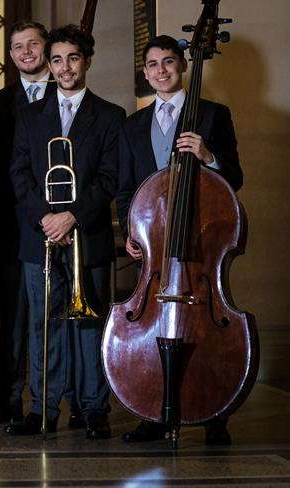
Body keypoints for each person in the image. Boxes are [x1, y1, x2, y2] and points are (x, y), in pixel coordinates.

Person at [116, 34, 242, 447]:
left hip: (200, 245)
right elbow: (124, 189)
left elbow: (235, 179)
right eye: (152, 65)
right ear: (146, 73)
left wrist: (209, 157)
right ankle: (154, 411)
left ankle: (213, 413)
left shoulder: (212, 114)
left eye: (168, 62)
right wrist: (129, 231)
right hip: (154, 247)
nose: (161, 71)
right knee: (153, 328)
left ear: (183, 66)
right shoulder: (133, 125)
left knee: (205, 331)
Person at [7, 24, 125, 439]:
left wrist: (71, 215)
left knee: (90, 323)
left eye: (72, 57)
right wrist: (46, 217)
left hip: (87, 235)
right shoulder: (29, 115)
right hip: (39, 236)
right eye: (56, 59)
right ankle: (43, 408)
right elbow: (19, 173)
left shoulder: (110, 116)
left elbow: (111, 178)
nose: (64, 67)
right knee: (44, 324)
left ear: (86, 60)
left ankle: (93, 408)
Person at [0, 21, 54, 428]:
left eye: (33, 44)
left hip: (59, 222)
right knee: (13, 316)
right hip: (13, 222)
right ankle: (7, 400)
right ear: (10, 55)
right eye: (18, 46)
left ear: (46, 48)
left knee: (54, 315)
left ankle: (55, 401)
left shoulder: (65, 93)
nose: (26, 52)